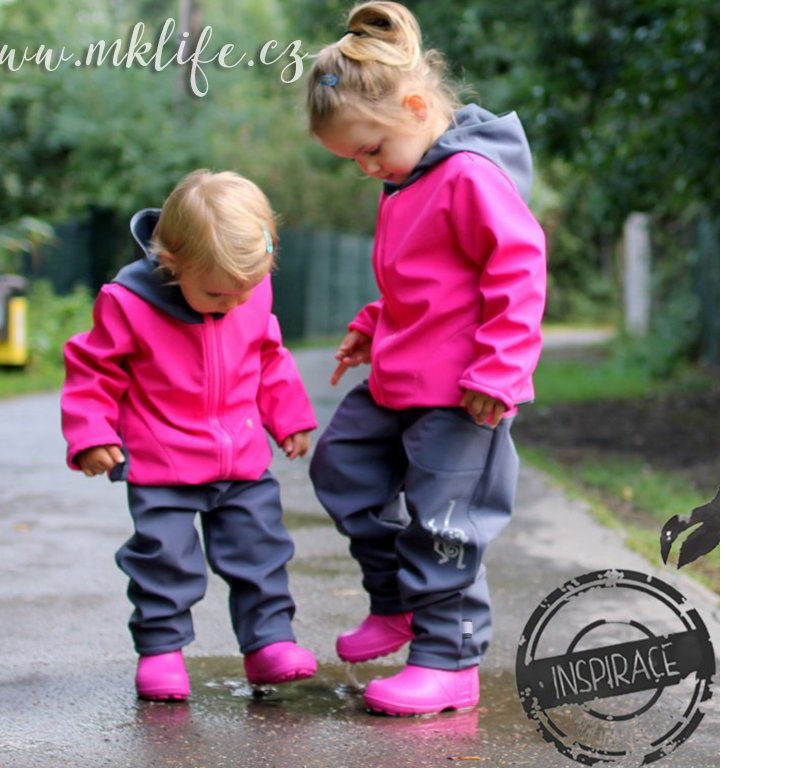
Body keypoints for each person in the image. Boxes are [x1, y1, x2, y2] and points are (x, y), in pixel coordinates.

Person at [305, 1, 547, 716]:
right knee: (342, 465)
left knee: (445, 523)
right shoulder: (409, 178)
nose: (366, 167)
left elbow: (518, 270)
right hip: (399, 379)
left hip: (462, 394)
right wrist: (373, 324)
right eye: (354, 158)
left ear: (415, 106)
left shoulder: (469, 175)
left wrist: (500, 372)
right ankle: (397, 603)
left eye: (370, 149)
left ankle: (448, 661)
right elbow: (427, 284)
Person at [61, 170, 318, 701]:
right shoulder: (128, 302)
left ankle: (269, 643)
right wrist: (90, 432)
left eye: (245, 292)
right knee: (164, 561)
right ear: (172, 262)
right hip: (163, 464)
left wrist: (289, 417)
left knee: (261, 552)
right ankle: (161, 652)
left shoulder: (248, 291)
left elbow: (268, 355)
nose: (233, 303)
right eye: (218, 293)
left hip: (242, 459)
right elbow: (93, 370)